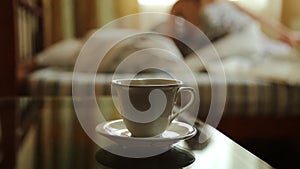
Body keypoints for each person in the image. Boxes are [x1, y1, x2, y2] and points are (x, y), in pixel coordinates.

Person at [168, 0, 300, 71]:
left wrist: (286, 33)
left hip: (246, 33)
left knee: (192, 63)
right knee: (250, 59)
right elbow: (175, 33)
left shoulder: (225, 3)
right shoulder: (183, 5)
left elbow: (258, 17)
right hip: (232, 42)